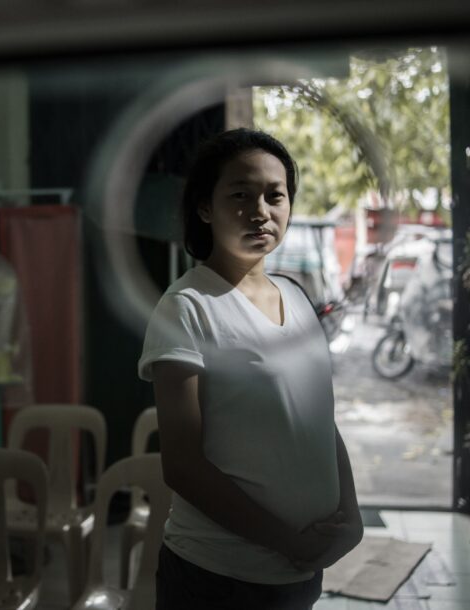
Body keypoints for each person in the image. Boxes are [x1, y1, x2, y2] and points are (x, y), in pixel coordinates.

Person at [138, 128, 362, 609]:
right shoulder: (187, 307)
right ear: (205, 208)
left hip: (298, 574)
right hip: (218, 579)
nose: (260, 211)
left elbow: (320, 422)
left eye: (274, 195)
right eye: (240, 194)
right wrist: (287, 541)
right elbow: (182, 466)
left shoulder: (298, 299)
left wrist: (352, 515)